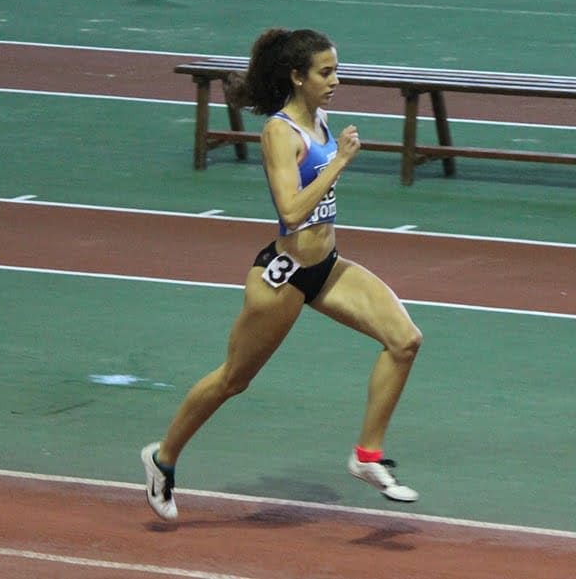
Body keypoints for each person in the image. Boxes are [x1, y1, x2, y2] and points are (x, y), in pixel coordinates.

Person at [141, 28, 423, 521]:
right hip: (284, 277)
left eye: (336, 70)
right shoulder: (280, 132)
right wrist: (338, 163)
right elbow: (290, 212)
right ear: (297, 77)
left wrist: (333, 161)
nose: (335, 81)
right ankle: (162, 458)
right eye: (325, 72)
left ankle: (367, 457)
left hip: (327, 268)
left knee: (405, 341)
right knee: (233, 380)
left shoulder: (319, 120)